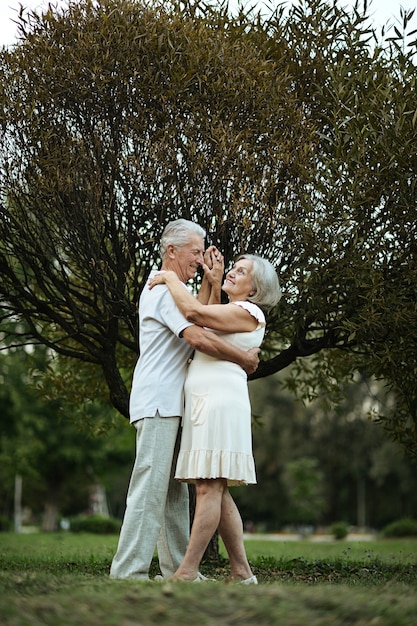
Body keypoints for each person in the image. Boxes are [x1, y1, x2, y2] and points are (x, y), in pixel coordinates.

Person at [109, 219, 261, 581]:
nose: (198, 259)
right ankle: (128, 571)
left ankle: (180, 570)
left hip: (175, 406)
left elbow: (203, 317)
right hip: (159, 402)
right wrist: (242, 359)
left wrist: (211, 280)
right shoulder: (162, 290)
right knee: (149, 488)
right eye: (194, 252)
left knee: (174, 495)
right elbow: (197, 336)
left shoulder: (176, 290)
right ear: (171, 251)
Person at [148, 253, 281, 584]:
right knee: (216, 488)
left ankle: (187, 571)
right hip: (206, 403)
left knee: (209, 486)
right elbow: (199, 325)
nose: (234, 273)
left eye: (241, 272)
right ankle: (242, 572)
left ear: (254, 289)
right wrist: (212, 280)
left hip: (220, 404)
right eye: (234, 268)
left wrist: (170, 279)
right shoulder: (230, 310)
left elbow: (192, 312)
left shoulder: (248, 312)